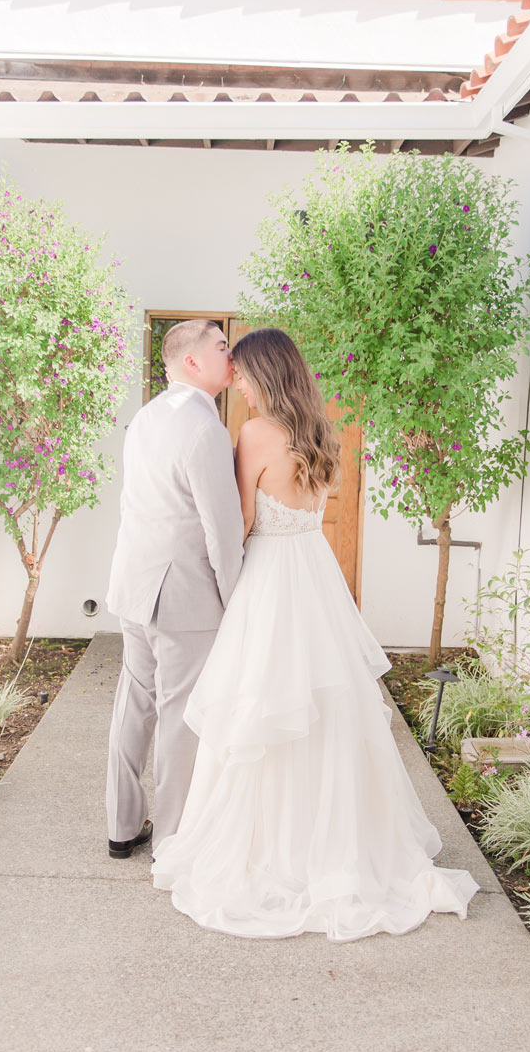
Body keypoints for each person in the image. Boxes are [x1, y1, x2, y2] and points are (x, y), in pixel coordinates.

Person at [151, 327, 480, 941]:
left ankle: (280, 849)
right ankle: (336, 839)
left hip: (272, 580)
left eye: (244, 375)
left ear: (266, 376)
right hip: (317, 575)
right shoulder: (322, 434)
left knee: (265, 704)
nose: (238, 384)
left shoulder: (253, 435)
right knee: (327, 707)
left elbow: (241, 521)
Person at [105, 319, 244, 858]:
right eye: (221, 346)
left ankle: (121, 828)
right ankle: (172, 842)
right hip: (183, 594)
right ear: (191, 362)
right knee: (181, 716)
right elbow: (221, 529)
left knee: (133, 704)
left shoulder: (144, 418)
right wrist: (236, 600)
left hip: (133, 584)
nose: (229, 355)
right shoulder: (205, 428)